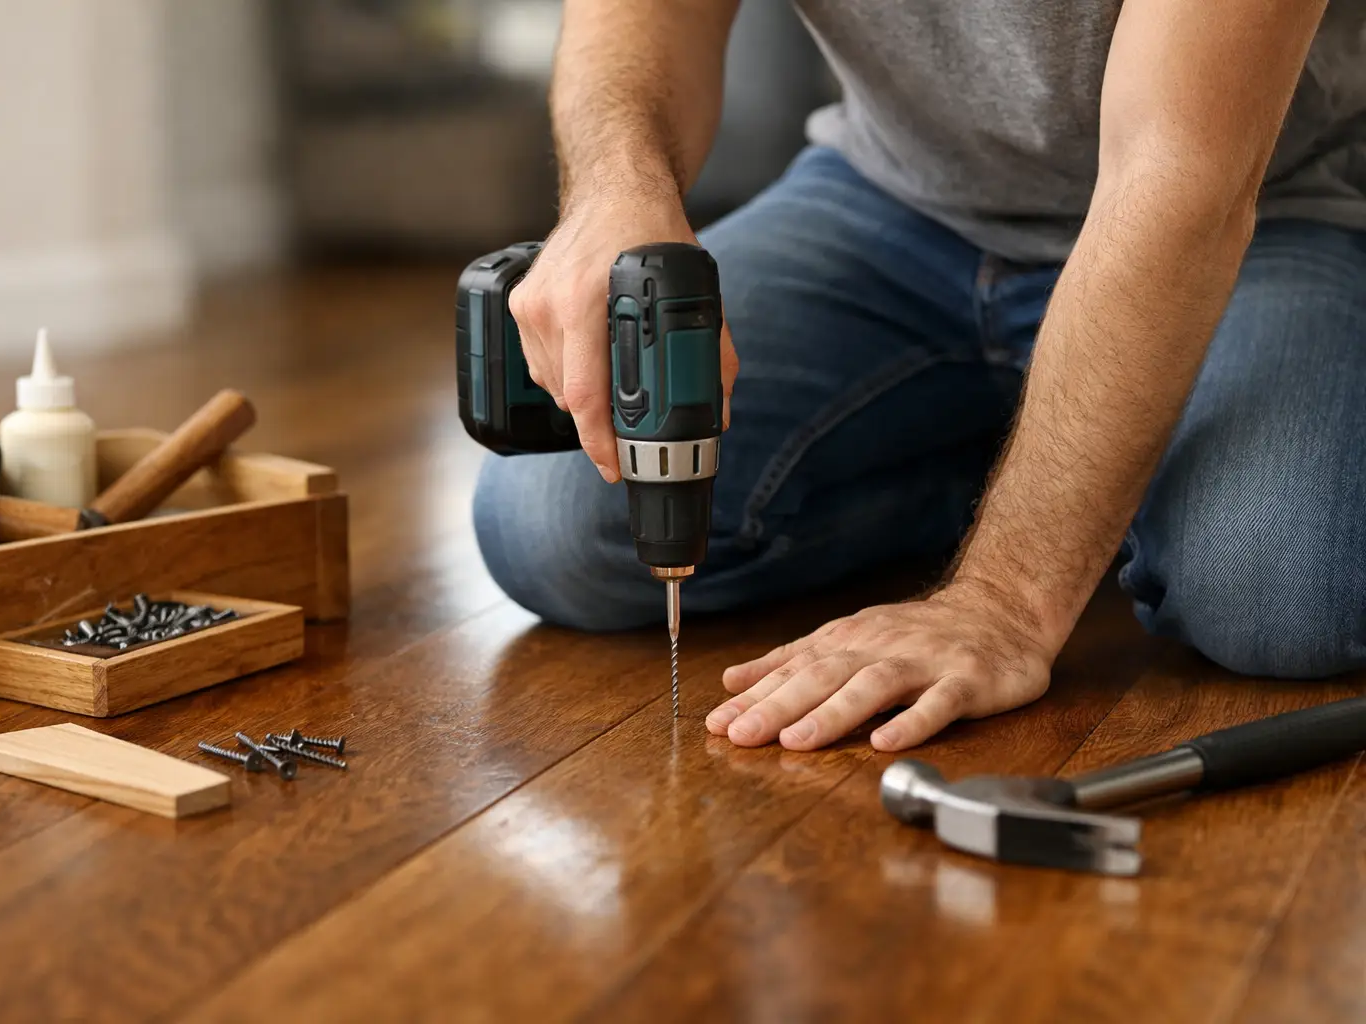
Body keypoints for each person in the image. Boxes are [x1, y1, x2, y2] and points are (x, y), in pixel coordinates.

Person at [471, 0, 1366, 753]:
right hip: (891, 196)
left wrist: (1006, 601)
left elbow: (1180, 170)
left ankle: (1065, 497)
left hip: (1260, 208)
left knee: (1274, 590)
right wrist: (616, 189)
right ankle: (1040, 473)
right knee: (557, 526)